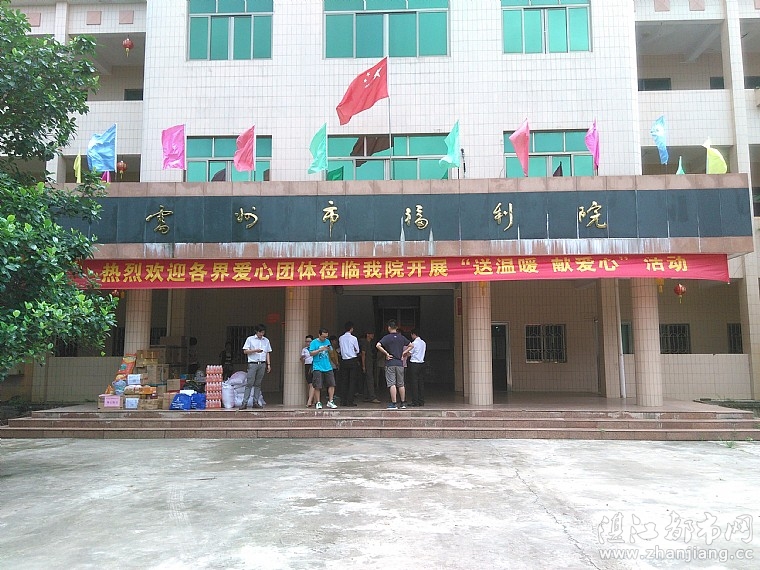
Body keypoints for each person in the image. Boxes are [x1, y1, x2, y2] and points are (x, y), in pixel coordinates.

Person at [376, 319, 410, 409]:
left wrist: (386, 353)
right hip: (400, 363)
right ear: (397, 327)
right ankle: (403, 403)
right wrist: (404, 353)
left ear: (389, 327)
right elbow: (411, 345)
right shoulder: (401, 337)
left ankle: (394, 403)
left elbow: (378, 345)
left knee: (392, 384)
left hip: (390, 363)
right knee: (401, 384)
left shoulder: (387, 337)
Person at [240, 324, 271, 410]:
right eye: (260, 332)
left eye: (263, 332)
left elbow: (267, 352)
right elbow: (245, 351)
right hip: (253, 363)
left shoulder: (266, 340)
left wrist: (268, 364)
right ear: (256, 331)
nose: (261, 334)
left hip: (262, 363)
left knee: (258, 384)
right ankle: (244, 403)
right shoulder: (250, 339)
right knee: (249, 383)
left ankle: (255, 402)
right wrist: (255, 350)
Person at [309, 328, 337, 409]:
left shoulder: (327, 341)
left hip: (327, 366)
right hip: (317, 366)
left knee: (332, 383)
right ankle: (318, 402)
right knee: (317, 385)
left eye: (326, 337)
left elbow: (331, 351)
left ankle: (331, 401)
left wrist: (329, 349)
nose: (325, 338)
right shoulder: (314, 342)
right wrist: (320, 350)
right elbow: (311, 353)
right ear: (319, 335)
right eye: (323, 337)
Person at [338, 321, 361, 407]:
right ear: (351, 328)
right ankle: (350, 401)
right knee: (352, 381)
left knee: (344, 381)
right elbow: (357, 350)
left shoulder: (341, 338)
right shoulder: (354, 338)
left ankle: (343, 401)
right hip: (352, 360)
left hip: (344, 360)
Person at [404, 328, 427, 406]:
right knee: (421, 382)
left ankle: (415, 401)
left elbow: (409, 353)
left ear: (413, 334)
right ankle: (421, 400)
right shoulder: (423, 343)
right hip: (422, 363)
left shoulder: (414, 343)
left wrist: (404, 354)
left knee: (414, 383)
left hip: (414, 364)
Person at [359, 331, 380, 403]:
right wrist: (363, 365)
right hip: (367, 363)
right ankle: (372, 397)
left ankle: (366, 396)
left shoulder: (370, 343)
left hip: (370, 363)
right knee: (370, 379)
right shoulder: (365, 343)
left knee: (367, 380)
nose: (373, 335)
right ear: (367, 335)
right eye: (371, 334)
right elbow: (363, 354)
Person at [302, 334, 315, 407]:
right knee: (309, 383)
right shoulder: (304, 349)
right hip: (307, 365)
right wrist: (302, 357)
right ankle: (312, 399)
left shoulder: (315, 348)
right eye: (306, 341)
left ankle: (310, 400)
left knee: (312, 383)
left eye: (309, 341)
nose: (308, 343)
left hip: (313, 365)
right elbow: (302, 359)